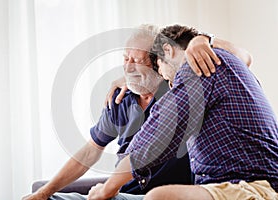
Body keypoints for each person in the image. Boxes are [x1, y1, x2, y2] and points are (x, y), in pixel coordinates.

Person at [22, 24, 222, 200]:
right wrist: (44, 192)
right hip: (123, 193)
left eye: (137, 60)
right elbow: (91, 151)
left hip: (164, 195)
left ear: (157, 62)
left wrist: (202, 40)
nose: (128, 67)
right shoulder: (120, 99)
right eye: (125, 58)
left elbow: (239, 57)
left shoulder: (180, 91)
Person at [88, 24, 278, 200]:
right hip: (233, 184)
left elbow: (153, 139)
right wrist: (204, 39)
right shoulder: (224, 59)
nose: (169, 83)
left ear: (168, 51)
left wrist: (106, 189)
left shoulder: (196, 68)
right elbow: (247, 57)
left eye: (160, 69)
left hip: (252, 186)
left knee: (159, 197)